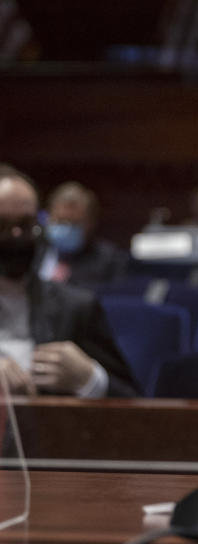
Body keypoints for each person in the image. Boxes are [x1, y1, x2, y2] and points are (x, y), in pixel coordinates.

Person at [0, 166, 137, 397]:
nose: (15, 236)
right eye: (1, 225)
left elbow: (135, 405)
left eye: (25, 225)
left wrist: (90, 379)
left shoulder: (76, 308)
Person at [38, 181, 127, 287]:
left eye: (74, 223)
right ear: (48, 218)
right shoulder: (34, 252)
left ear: (90, 223)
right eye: (61, 221)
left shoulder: (109, 260)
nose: (66, 228)